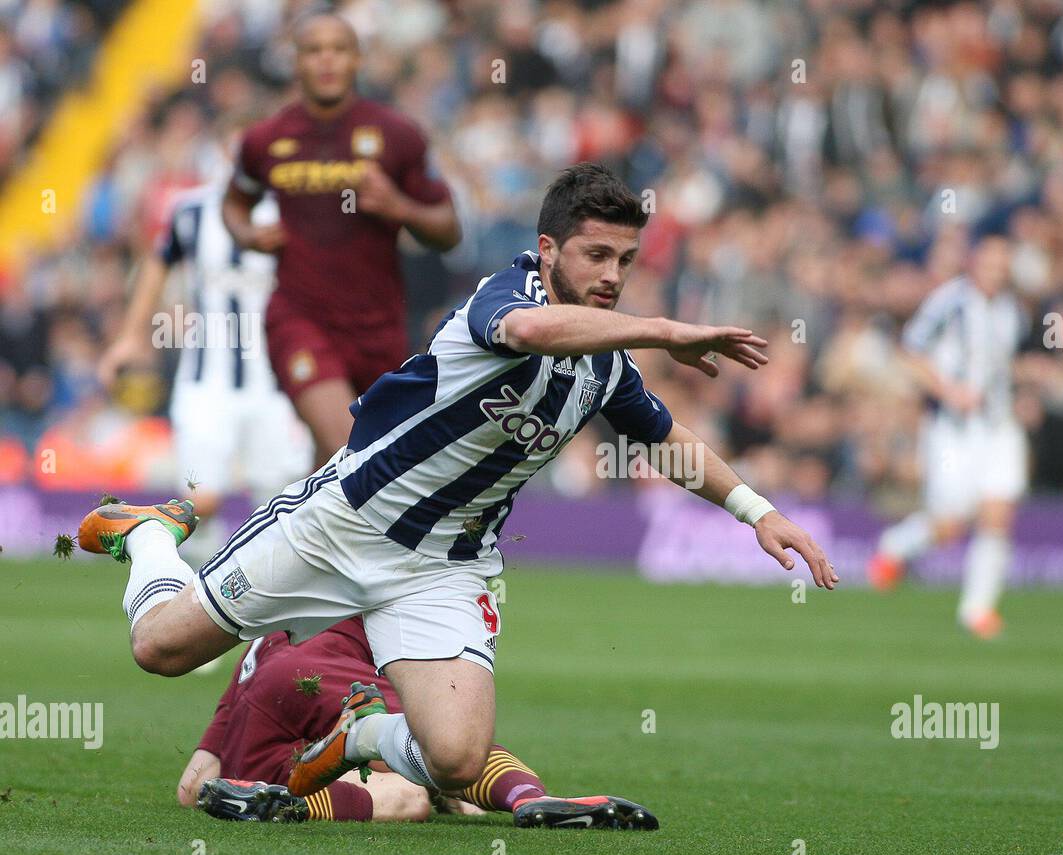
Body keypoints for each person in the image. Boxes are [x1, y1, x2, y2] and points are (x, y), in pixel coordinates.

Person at [78, 161, 837, 811]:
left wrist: (755, 509)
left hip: (444, 567)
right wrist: (666, 330)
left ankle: (358, 734)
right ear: (547, 251)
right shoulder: (502, 299)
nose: (611, 276)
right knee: (159, 649)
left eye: (625, 261)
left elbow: (665, 437)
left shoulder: (605, 364)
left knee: (457, 761)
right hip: (345, 521)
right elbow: (533, 335)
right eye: (595, 255)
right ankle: (147, 533)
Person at [222, 10, 461, 465]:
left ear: (357, 60)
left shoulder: (398, 135)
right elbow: (234, 203)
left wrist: (398, 206)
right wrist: (249, 235)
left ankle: (298, 536)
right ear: (296, 62)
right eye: (314, 50)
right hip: (300, 318)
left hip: (379, 328)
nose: (326, 61)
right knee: (351, 452)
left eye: (338, 49)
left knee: (332, 469)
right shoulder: (266, 140)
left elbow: (448, 232)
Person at [181, 616, 656, 828]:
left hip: (257, 718)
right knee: (423, 772)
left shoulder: (287, 588)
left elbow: (194, 779)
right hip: (316, 674)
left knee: (205, 786)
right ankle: (531, 798)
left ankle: (264, 796)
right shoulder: (400, 598)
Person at [99, 171, 311, 564]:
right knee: (201, 502)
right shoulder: (193, 210)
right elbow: (157, 263)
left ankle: (268, 618)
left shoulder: (292, 212)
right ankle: (197, 606)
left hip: (275, 385)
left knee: (279, 502)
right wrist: (132, 335)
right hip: (205, 384)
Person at [867, 236, 1028, 638]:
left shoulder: (1012, 310)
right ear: (974, 264)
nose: (996, 273)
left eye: (1002, 265)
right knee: (951, 523)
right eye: (990, 264)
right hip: (954, 429)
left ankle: (977, 610)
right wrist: (948, 391)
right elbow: (910, 351)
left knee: (998, 513)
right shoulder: (950, 302)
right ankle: (895, 547)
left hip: (999, 426)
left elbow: (1002, 366)